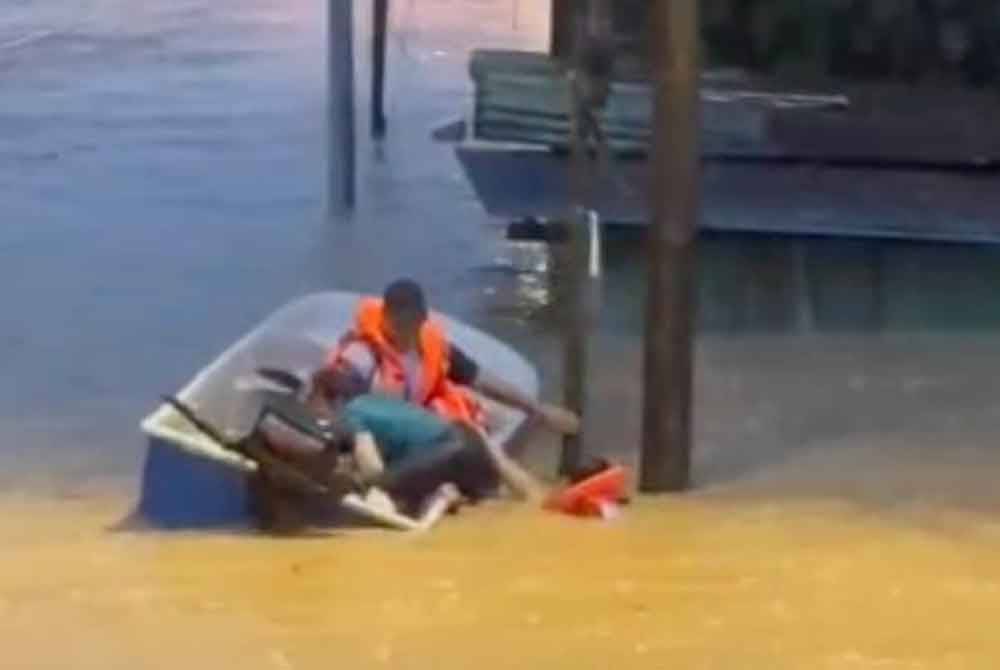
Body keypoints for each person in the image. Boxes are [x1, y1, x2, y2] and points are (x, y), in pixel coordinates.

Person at [319, 278, 579, 435]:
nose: (402, 330)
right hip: (374, 432)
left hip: (413, 428)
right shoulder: (364, 354)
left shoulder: (434, 348)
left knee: (488, 414)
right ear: (385, 317)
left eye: (410, 322)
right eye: (395, 322)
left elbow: (481, 379)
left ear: (422, 319)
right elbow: (328, 391)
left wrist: (537, 409)